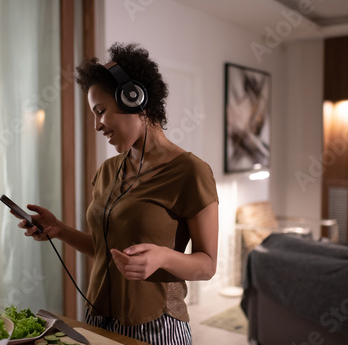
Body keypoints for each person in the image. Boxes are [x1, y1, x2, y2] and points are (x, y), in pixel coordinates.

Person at [15, 42, 219, 345]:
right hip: (98, 319)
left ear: (134, 99)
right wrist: (59, 230)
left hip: (156, 326)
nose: (97, 124)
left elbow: (207, 265)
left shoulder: (191, 172)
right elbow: (106, 248)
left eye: (101, 111)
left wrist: (162, 256)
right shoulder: (108, 170)